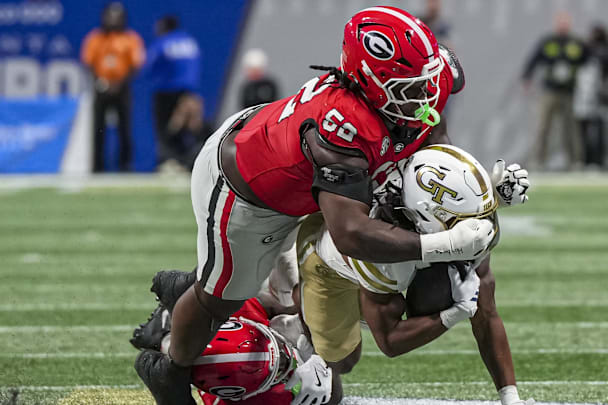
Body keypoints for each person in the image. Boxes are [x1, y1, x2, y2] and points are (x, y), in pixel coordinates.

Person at [133, 7, 492, 405]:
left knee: (325, 313)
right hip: (248, 189)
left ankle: (202, 284)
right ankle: (171, 370)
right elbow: (352, 234)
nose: (426, 96)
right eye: (410, 90)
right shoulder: (341, 130)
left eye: (426, 83)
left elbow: (434, 130)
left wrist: (474, 182)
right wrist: (446, 244)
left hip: (297, 167)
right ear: (372, 84)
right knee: (220, 299)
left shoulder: (414, 85)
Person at [295, 145, 532, 405]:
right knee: (337, 376)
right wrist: (454, 313)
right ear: (426, 219)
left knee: (450, 280)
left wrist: (511, 398)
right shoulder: (381, 254)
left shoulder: (429, 208)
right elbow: (390, 341)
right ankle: (290, 313)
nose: (478, 227)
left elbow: (486, 310)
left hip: (397, 257)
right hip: (327, 268)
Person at [131, 280, 331, 405]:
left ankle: (170, 330)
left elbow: (170, 280)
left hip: (207, 314)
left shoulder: (239, 308)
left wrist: (316, 348)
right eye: (278, 371)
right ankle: (167, 336)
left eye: (280, 349)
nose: (289, 360)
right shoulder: (271, 399)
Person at [81, 2, 145, 172]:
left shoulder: (130, 38)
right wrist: (101, 82)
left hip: (122, 88)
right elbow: (89, 62)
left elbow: (135, 64)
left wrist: (118, 83)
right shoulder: (95, 38)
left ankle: (125, 165)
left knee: (124, 128)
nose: (113, 20)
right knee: (98, 129)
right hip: (101, 87)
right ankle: (97, 166)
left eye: (116, 17)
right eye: (110, 16)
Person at [522, 11, 588, 169]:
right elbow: (533, 59)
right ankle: (538, 160)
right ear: (556, 23)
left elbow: (589, 58)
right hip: (550, 90)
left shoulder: (576, 43)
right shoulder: (548, 42)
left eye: (565, 22)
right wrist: (527, 77)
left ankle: (576, 161)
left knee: (571, 128)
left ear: (570, 24)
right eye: (560, 22)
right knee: (543, 126)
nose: (563, 25)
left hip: (568, 91)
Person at [144, 15, 203, 171]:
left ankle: (168, 161)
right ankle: (188, 161)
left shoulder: (163, 43)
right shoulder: (190, 42)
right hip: (188, 92)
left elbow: (149, 66)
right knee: (186, 127)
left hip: (166, 92)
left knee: (166, 129)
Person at [574, 25, 608, 169]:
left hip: (599, 97)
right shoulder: (584, 55)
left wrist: (606, 94)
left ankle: (600, 159)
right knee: (584, 130)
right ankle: (585, 159)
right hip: (584, 97)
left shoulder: (607, 54)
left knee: (600, 129)